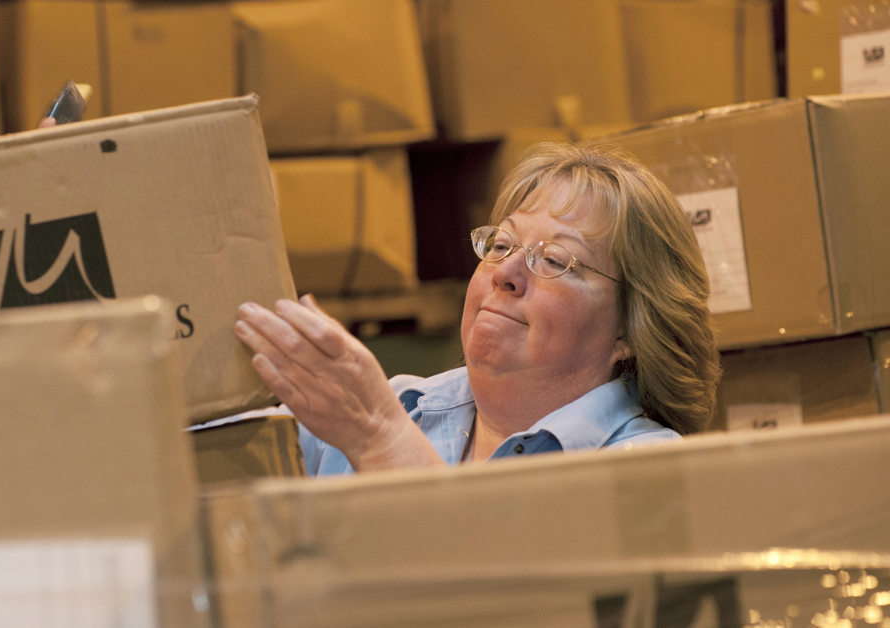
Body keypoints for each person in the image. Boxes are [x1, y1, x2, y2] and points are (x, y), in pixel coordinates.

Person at [233, 141, 720, 476]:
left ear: (631, 329)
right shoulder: (399, 403)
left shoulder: (649, 470)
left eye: (553, 260)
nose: (506, 271)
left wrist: (380, 441)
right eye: (501, 244)